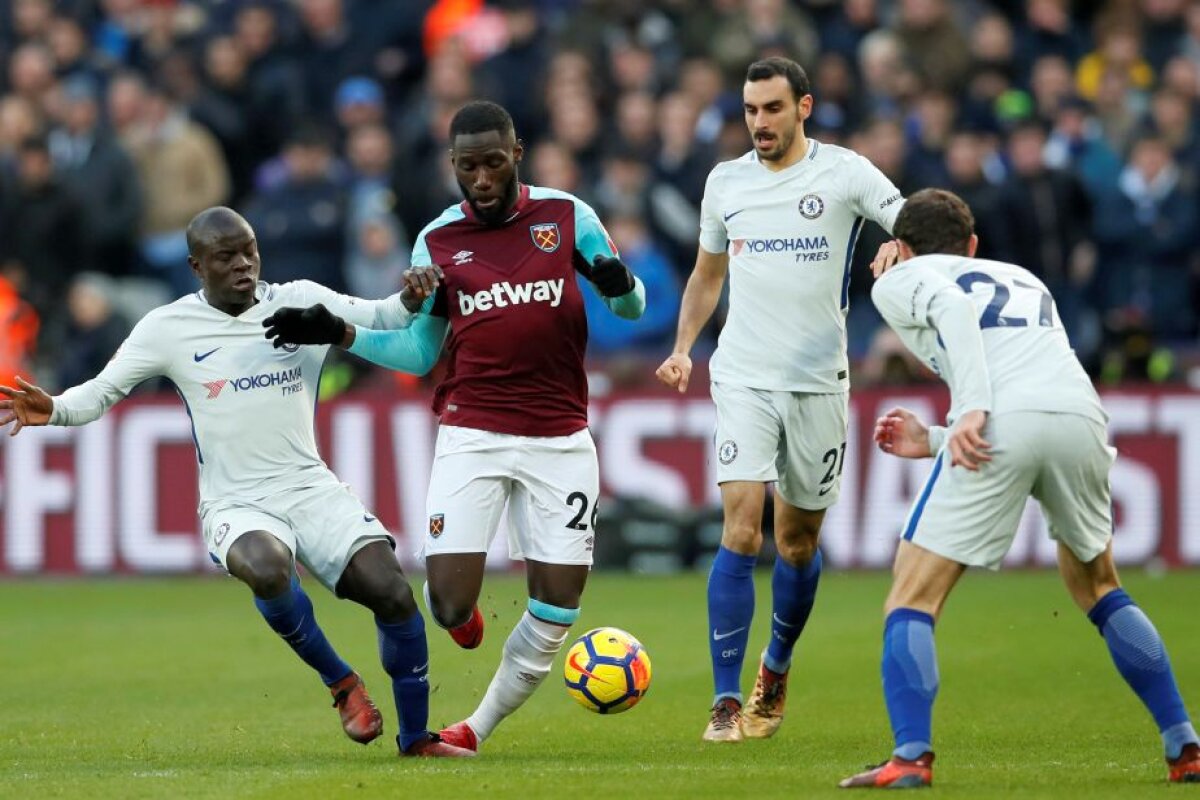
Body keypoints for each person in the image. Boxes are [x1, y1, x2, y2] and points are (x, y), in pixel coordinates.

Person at [0, 207, 472, 759]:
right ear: (197, 266)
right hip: (236, 501)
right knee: (268, 569)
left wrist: (415, 296)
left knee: (392, 592)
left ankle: (416, 740)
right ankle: (341, 682)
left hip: (310, 487)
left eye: (249, 250)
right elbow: (101, 392)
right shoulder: (167, 328)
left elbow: (386, 315)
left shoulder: (298, 299)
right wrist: (53, 407)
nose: (244, 264)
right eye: (226, 257)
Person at [261, 100, 647, 753]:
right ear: (454, 167)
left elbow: (629, 307)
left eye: (494, 162)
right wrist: (344, 334)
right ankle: (464, 618)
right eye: (469, 167)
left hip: (560, 437)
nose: (483, 178)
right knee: (445, 606)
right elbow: (418, 352)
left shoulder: (566, 216)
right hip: (475, 433)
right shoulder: (437, 241)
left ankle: (475, 728)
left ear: (517, 153)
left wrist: (621, 281)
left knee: (556, 609)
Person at [839, 189, 1200, 788]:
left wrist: (972, 409)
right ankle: (1183, 743)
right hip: (1080, 417)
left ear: (900, 247)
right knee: (1098, 585)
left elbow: (955, 314)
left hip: (1001, 420)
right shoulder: (1023, 278)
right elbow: (1026, 372)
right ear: (973, 246)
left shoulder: (900, 276)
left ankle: (910, 758)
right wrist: (935, 438)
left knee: (912, 594)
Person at [654, 56, 906, 743]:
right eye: (749, 111)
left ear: (804, 107)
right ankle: (726, 700)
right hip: (741, 374)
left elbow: (911, 216)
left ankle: (778, 663)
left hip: (820, 381)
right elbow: (708, 274)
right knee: (741, 525)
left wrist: (902, 243)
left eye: (771, 109)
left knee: (797, 542)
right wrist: (683, 347)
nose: (759, 123)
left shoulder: (845, 172)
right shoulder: (725, 182)